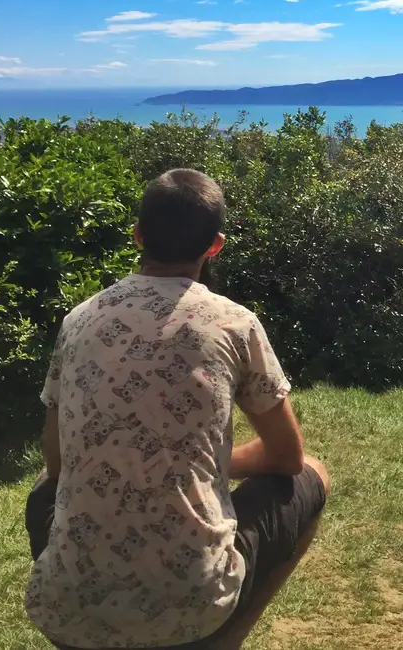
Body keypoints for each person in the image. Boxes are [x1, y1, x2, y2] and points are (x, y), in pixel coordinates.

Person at [25, 168, 329, 650]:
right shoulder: (235, 324)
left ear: (138, 235)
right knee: (313, 472)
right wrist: (200, 463)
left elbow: (58, 461)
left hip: (68, 612)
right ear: (216, 245)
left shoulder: (78, 320)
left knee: (46, 490)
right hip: (192, 610)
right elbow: (288, 456)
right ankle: (224, 638)